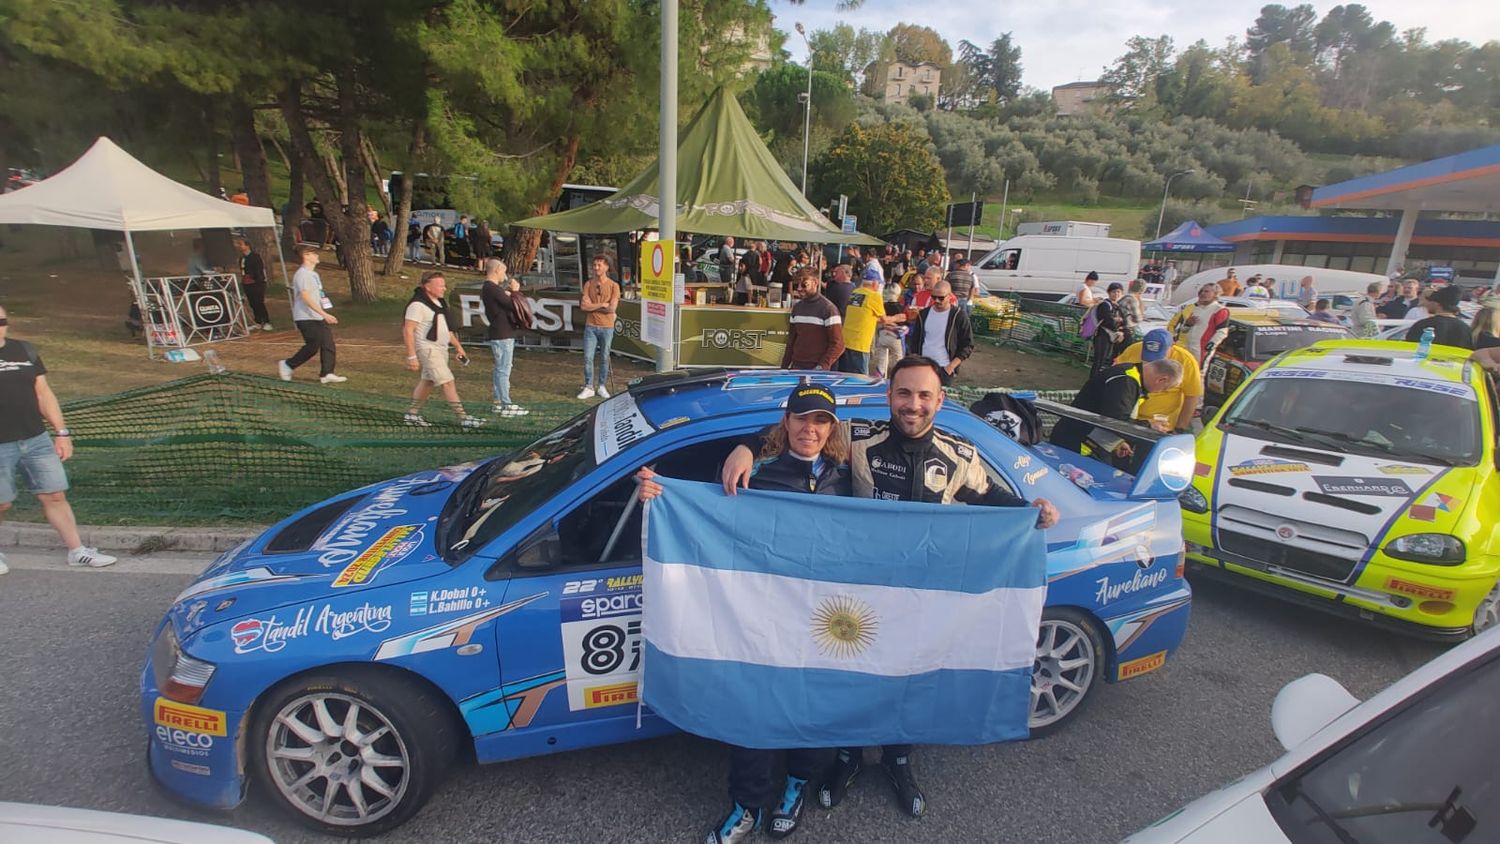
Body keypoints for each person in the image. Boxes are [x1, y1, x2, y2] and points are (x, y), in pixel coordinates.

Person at [719, 357, 1059, 820]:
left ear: (940, 399)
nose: (913, 404)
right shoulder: (859, 439)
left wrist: (1031, 510)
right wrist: (745, 448)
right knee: (856, 677)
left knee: (911, 680)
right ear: (889, 396)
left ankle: (899, 762)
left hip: (924, 595)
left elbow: (991, 501)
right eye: (904, 393)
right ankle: (847, 758)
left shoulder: (960, 455)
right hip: (861, 592)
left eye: (924, 395)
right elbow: (803, 430)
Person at [641, 383, 848, 844]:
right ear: (786, 421)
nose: (809, 429)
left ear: (831, 428)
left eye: (820, 421)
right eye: (800, 418)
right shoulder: (757, 471)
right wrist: (660, 493)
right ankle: (746, 804)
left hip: (822, 626)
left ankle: (796, 786)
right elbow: (702, 510)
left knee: (815, 710)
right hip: (762, 621)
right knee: (754, 712)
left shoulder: (846, 478)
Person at [0, 305, 118, 575]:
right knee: (2, 502)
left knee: (54, 493)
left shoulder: (24, 350)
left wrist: (61, 432)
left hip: (35, 438)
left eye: (2, 320)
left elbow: (43, 393)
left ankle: (77, 551)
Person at [1049, 359, 1186, 458]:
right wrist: (1149, 427)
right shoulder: (1125, 381)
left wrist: (1117, 442)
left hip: (1087, 439)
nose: (1159, 392)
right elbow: (1116, 420)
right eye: (1165, 389)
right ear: (1161, 379)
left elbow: (1109, 413)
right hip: (1076, 442)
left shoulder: (1132, 374)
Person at [401, 271, 483, 428]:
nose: (444, 288)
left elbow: (447, 329)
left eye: (444, 285)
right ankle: (464, 418)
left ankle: (411, 414)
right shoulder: (417, 305)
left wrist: (458, 346)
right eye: (440, 285)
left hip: (441, 349)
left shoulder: (440, 304)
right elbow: (408, 329)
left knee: (428, 382)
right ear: (427, 286)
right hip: (428, 349)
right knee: (448, 382)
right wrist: (411, 356)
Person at [278, 245, 345, 384]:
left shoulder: (314, 274)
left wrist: (325, 309)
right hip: (305, 316)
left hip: (317, 316)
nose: (317, 256)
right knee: (313, 346)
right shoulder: (302, 274)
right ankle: (288, 365)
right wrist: (323, 313)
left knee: (328, 344)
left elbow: (319, 294)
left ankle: (327, 373)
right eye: (313, 254)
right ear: (306, 256)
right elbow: (305, 296)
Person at [1114, 329, 1202, 433]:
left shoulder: (1186, 360)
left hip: (1163, 425)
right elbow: (1117, 373)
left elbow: (1192, 396)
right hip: (1131, 418)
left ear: (1172, 346)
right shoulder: (1134, 349)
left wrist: (1179, 428)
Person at [480, 258, 529, 417]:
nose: (505, 275)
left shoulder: (491, 289)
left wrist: (509, 293)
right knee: (503, 370)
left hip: (501, 332)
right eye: (503, 271)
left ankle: (498, 402)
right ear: (496, 270)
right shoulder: (492, 288)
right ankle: (506, 404)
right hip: (502, 334)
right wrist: (515, 291)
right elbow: (512, 305)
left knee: (500, 368)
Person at [905, 280, 973, 384]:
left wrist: (951, 366)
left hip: (944, 368)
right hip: (923, 366)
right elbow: (915, 340)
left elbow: (967, 345)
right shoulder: (923, 314)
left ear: (950, 296)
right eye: (933, 297)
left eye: (941, 298)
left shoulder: (959, 316)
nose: (936, 300)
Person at [782, 267, 845, 370]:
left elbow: (838, 344)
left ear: (815, 282)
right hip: (796, 367)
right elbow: (791, 341)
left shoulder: (828, 309)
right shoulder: (797, 308)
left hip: (816, 369)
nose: (798, 288)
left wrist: (821, 366)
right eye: (796, 285)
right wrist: (784, 367)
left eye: (804, 285)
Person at [578, 254, 620, 399]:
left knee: (604, 356)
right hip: (591, 326)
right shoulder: (588, 284)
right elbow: (584, 306)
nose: (596, 268)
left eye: (599, 265)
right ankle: (589, 385)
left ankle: (601, 385)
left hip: (607, 326)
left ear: (606, 267)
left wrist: (593, 306)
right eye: (594, 265)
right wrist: (602, 304)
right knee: (588, 357)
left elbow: (612, 308)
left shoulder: (614, 286)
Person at [838, 267, 889, 374]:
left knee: (844, 375)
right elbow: (884, 319)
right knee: (861, 379)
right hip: (860, 343)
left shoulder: (855, 293)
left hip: (846, 340)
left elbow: (863, 314)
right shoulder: (874, 296)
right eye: (879, 283)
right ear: (874, 283)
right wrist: (900, 317)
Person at [1167, 283, 1230, 364]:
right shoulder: (1193, 308)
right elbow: (1182, 330)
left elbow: (1222, 332)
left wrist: (1210, 345)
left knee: (1198, 372)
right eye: (1201, 291)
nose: (1202, 293)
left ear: (1215, 294)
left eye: (1206, 291)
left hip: (1202, 348)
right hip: (1186, 346)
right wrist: (1188, 324)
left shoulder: (1220, 310)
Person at [1404, 285, 1471, 348]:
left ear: (1437, 304)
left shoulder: (1423, 325)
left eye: (1431, 301)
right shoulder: (1466, 329)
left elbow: (1409, 348)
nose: (1427, 304)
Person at [233, 236, 273, 331]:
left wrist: (254, 278)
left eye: (241, 244)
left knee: (259, 302)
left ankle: (266, 321)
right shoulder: (242, 258)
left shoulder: (255, 257)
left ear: (247, 245)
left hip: (257, 283)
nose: (239, 246)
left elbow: (259, 270)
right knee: (252, 303)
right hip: (247, 283)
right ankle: (258, 321)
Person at [1089, 283, 1128, 376]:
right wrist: (1117, 325)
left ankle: (1097, 380)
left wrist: (1120, 326)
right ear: (1109, 293)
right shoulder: (1105, 305)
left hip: (1111, 335)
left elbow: (1124, 321)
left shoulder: (1117, 306)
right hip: (1102, 335)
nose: (1116, 294)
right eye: (1114, 292)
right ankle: (1092, 381)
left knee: (1104, 359)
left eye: (1119, 292)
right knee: (1099, 359)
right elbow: (1108, 320)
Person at [870, 283, 907, 378]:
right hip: (895, 336)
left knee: (882, 358)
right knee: (898, 358)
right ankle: (897, 376)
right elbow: (905, 323)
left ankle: (880, 373)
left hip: (882, 334)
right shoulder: (901, 308)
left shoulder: (882, 306)